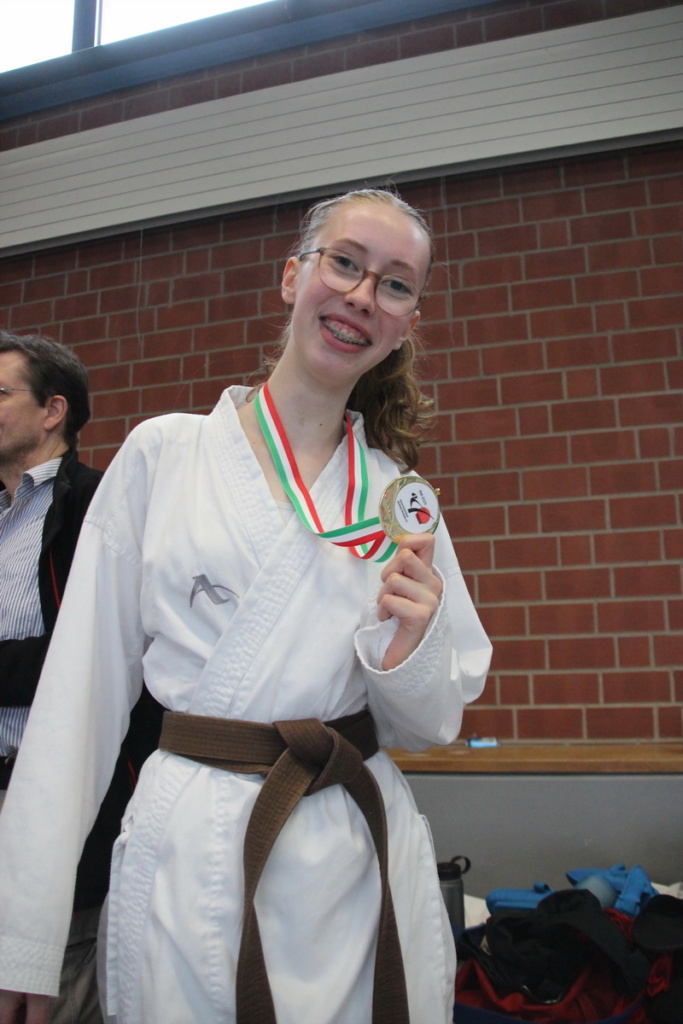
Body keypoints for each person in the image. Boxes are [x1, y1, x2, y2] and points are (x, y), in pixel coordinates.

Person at [0, 189, 492, 1024]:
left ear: (406, 323)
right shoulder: (166, 454)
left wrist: (412, 646)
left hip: (352, 850)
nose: (362, 295)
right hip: (196, 841)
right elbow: (76, 703)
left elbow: (431, 724)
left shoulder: (400, 501)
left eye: (394, 284)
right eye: (344, 263)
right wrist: (25, 931)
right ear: (292, 275)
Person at [0, 332, 162, 1024]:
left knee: (50, 990)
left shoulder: (103, 506)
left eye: (0, 392)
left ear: (53, 410)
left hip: (66, 802)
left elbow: (99, 656)